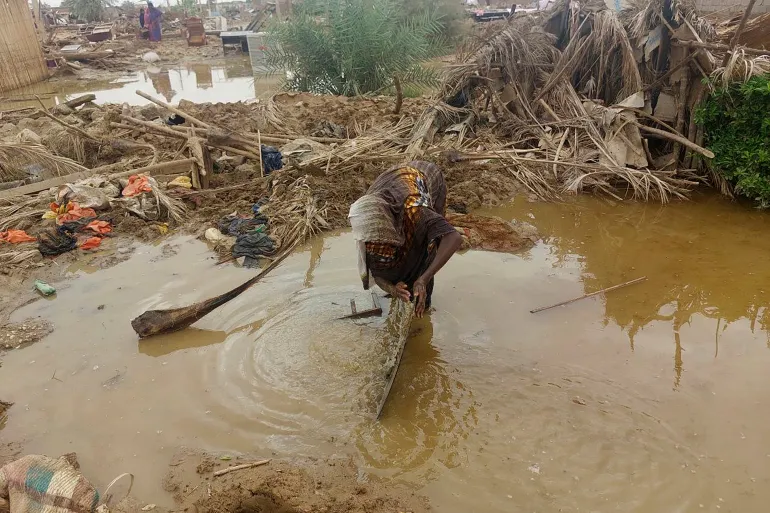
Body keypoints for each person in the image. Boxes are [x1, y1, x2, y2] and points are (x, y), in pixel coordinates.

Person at [348, 161, 463, 318]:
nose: (377, 246)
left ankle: (423, 298)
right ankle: (408, 286)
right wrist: (393, 289)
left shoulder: (415, 209)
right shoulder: (367, 218)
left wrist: (423, 279)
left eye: (382, 240)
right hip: (394, 181)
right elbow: (377, 273)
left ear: (390, 227)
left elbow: (453, 238)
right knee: (393, 257)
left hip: (427, 177)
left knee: (427, 245)